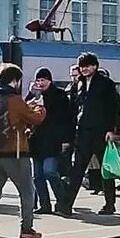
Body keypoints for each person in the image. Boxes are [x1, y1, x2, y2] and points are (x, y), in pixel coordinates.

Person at [0, 63, 46, 238]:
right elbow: (35, 118)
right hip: (14, 153)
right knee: (27, 191)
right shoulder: (14, 99)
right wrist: (40, 106)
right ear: (15, 80)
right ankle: (27, 229)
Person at [58, 52, 120, 217]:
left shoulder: (106, 83)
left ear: (95, 66)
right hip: (83, 132)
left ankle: (110, 204)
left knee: (105, 169)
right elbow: (73, 108)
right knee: (77, 170)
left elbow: (114, 107)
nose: (84, 69)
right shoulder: (78, 84)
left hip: (101, 131)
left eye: (87, 65)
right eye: (82, 66)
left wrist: (112, 130)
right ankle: (67, 205)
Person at [26, 67, 75, 215]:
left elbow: (67, 119)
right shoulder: (33, 96)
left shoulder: (59, 95)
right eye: (38, 80)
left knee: (50, 172)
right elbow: (25, 113)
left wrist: (67, 139)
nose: (41, 83)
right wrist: (31, 95)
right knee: (37, 176)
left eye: (43, 80)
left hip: (53, 141)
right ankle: (44, 205)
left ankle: (63, 200)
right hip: (36, 141)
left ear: (50, 80)